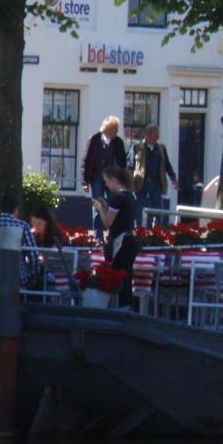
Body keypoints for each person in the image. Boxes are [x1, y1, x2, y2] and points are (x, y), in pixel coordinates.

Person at [91, 166, 139, 310]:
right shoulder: (131, 196)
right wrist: (106, 207)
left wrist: (100, 209)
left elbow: (107, 223)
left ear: (113, 180)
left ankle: (117, 307)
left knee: (117, 276)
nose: (106, 185)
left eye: (107, 181)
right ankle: (126, 306)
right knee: (127, 275)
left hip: (120, 242)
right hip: (130, 240)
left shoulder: (118, 197)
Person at [82, 115, 127, 239]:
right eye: (115, 129)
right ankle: (98, 236)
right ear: (108, 129)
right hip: (96, 178)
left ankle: (113, 234)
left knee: (114, 206)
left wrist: (122, 181)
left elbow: (123, 163)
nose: (117, 132)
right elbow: (86, 161)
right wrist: (85, 181)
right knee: (98, 206)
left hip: (112, 181)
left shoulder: (118, 143)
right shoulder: (94, 140)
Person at [0, 193, 39, 285]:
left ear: (0, 209)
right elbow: (33, 255)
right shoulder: (22, 226)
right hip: (17, 277)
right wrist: (35, 274)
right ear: (16, 209)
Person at [129, 124, 177, 226]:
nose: (158, 137)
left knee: (158, 210)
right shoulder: (137, 148)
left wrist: (173, 178)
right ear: (148, 135)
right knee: (141, 210)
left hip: (156, 184)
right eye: (156, 135)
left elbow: (167, 165)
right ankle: (141, 232)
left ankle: (156, 233)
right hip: (141, 184)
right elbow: (129, 166)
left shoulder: (161, 149)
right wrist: (129, 182)